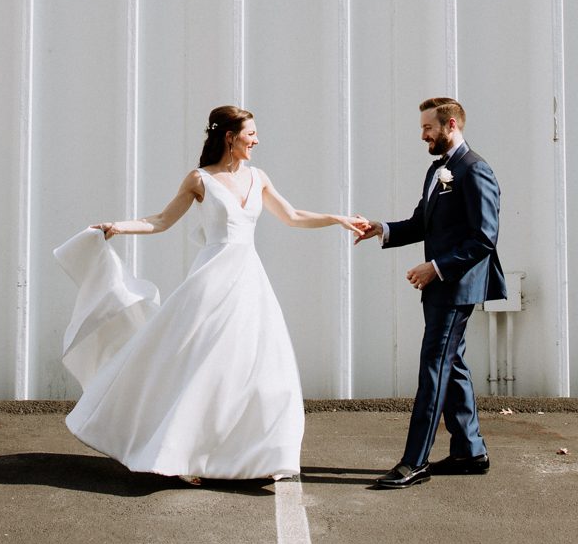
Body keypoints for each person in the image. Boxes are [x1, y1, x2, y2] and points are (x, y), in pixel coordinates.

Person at [55, 106, 364, 483]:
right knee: (197, 366)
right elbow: (161, 221)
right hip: (210, 282)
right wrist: (117, 227)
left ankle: (253, 455)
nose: (257, 140)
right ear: (230, 138)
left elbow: (293, 216)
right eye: (251, 133)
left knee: (258, 367)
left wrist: (337, 219)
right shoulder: (199, 179)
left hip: (249, 282)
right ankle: (179, 454)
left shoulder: (258, 177)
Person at [351, 96, 505, 489]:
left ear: (450, 125)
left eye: (428, 128)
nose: (423, 136)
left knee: (433, 368)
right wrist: (380, 229)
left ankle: (414, 462)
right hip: (439, 288)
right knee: (452, 366)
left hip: (456, 287)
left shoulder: (474, 171)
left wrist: (436, 268)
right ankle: (470, 452)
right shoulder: (439, 172)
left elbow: (484, 238)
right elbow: (422, 223)